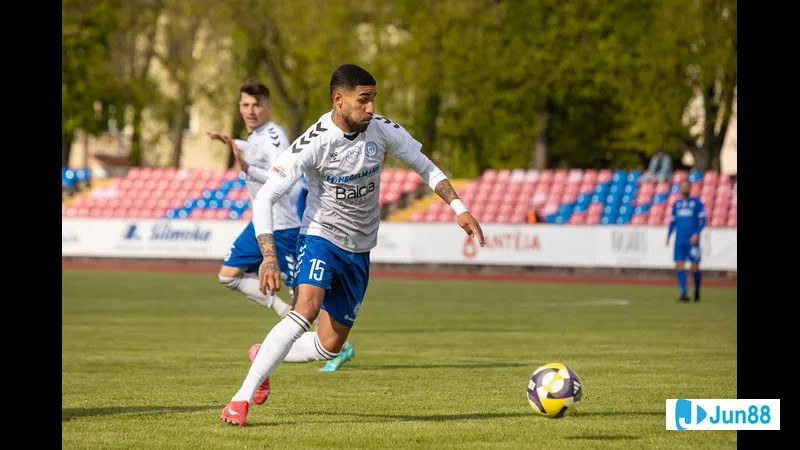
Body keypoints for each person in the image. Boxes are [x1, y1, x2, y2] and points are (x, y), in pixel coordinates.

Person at [220, 64, 486, 426]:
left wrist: (460, 208)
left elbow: (426, 166)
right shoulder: (315, 142)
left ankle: (263, 355)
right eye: (364, 100)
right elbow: (265, 196)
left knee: (328, 345)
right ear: (339, 99)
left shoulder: (382, 130)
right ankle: (240, 400)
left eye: (373, 99)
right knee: (306, 309)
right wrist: (268, 257)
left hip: (360, 249)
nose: (371, 108)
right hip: (320, 237)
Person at [666, 179, 706, 302]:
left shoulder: (696, 203)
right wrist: (668, 236)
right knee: (679, 265)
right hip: (679, 240)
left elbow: (703, 220)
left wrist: (697, 233)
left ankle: (697, 290)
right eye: (682, 187)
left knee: (694, 267)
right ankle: (684, 293)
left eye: (686, 187)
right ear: (679, 188)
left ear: (690, 188)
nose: (684, 189)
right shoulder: (676, 204)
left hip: (692, 240)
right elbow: (672, 222)